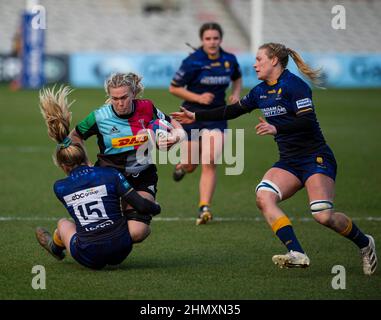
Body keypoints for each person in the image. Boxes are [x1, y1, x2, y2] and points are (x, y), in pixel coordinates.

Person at [171, 42, 377, 275]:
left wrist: (277, 129)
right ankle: (297, 253)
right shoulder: (260, 91)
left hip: (315, 158)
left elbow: (307, 121)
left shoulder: (294, 86)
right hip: (289, 162)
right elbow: (233, 110)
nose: (255, 64)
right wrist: (195, 115)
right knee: (263, 196)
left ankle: (365, 243)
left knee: (323, 216)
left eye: (259, 59)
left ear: (274, 61)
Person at [36, 86, 161, 270]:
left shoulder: (60, 187)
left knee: (64, 223)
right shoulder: (110, 174)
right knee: (136, 226)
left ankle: (57, 243)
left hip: (88, 256)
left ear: (63, 166)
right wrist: (156, 208)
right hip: (121, 250)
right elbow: (142, 205)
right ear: (84, 157)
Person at [70, 72, 182, 243]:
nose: (119, 103)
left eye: (124, 97)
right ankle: (61, 236)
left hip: (141, 176)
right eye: (114, 98)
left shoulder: (147, 107)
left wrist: (175, 137)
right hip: (107, 177)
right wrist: (85, 163)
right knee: (96, 229)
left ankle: (113, 241)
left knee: (137, 232)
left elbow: (172, 123)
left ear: (134, 94)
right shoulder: (99, 117)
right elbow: (75, 136)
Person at [169, 22, 242, 225]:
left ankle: (204, 208)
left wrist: (236, 93)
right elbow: (174, 88)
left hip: (217, 116)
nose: (212, 42)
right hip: (191, 115)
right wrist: (198, 97)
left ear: (221, 39)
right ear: (202, 40)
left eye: (215, 38)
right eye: (208, 38)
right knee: (191, 165)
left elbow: (237, 78)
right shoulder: (192, 61)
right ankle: (182, 167)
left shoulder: (229, 59)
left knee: (210, 160)